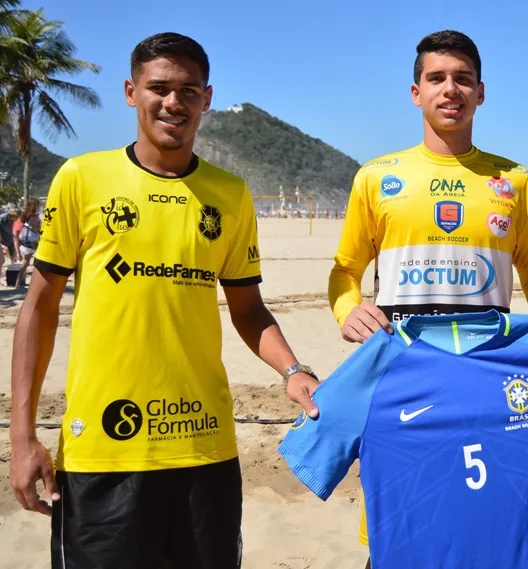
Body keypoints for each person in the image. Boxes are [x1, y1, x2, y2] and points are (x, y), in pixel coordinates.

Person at [8, 32, 320, 569]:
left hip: (205, 449)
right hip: (103, 450)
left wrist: (292, 369)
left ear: (207, 97)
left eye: (188, 90)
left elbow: (248, 308)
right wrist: (22, 435)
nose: (173, 102)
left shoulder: (230, 195)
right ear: (132, 92)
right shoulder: (83, 179)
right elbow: (38, 307)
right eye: (159, 88)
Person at [326, 30, 528, 564]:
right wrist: (349, 311)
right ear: (415, 92)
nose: (451, 90)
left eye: (463, 79)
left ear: (481, 92)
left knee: (483, 513)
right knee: (401, 518)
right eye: (437, 78)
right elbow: (345, 271)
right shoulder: (377, 177)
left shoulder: (514, 180)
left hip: (487, 380)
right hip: (402, 377)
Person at [13, 198, 41, 287]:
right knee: (31, 262)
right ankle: (21, 283)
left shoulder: (24, 214)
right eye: (38, 204)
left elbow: (19, 230)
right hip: (33, 241)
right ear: (35, 205)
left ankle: (18, 283)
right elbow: (34, 227)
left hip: (25, 241)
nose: (39, 206)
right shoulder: (34, 215)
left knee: (26, 262)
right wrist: (42, 229)